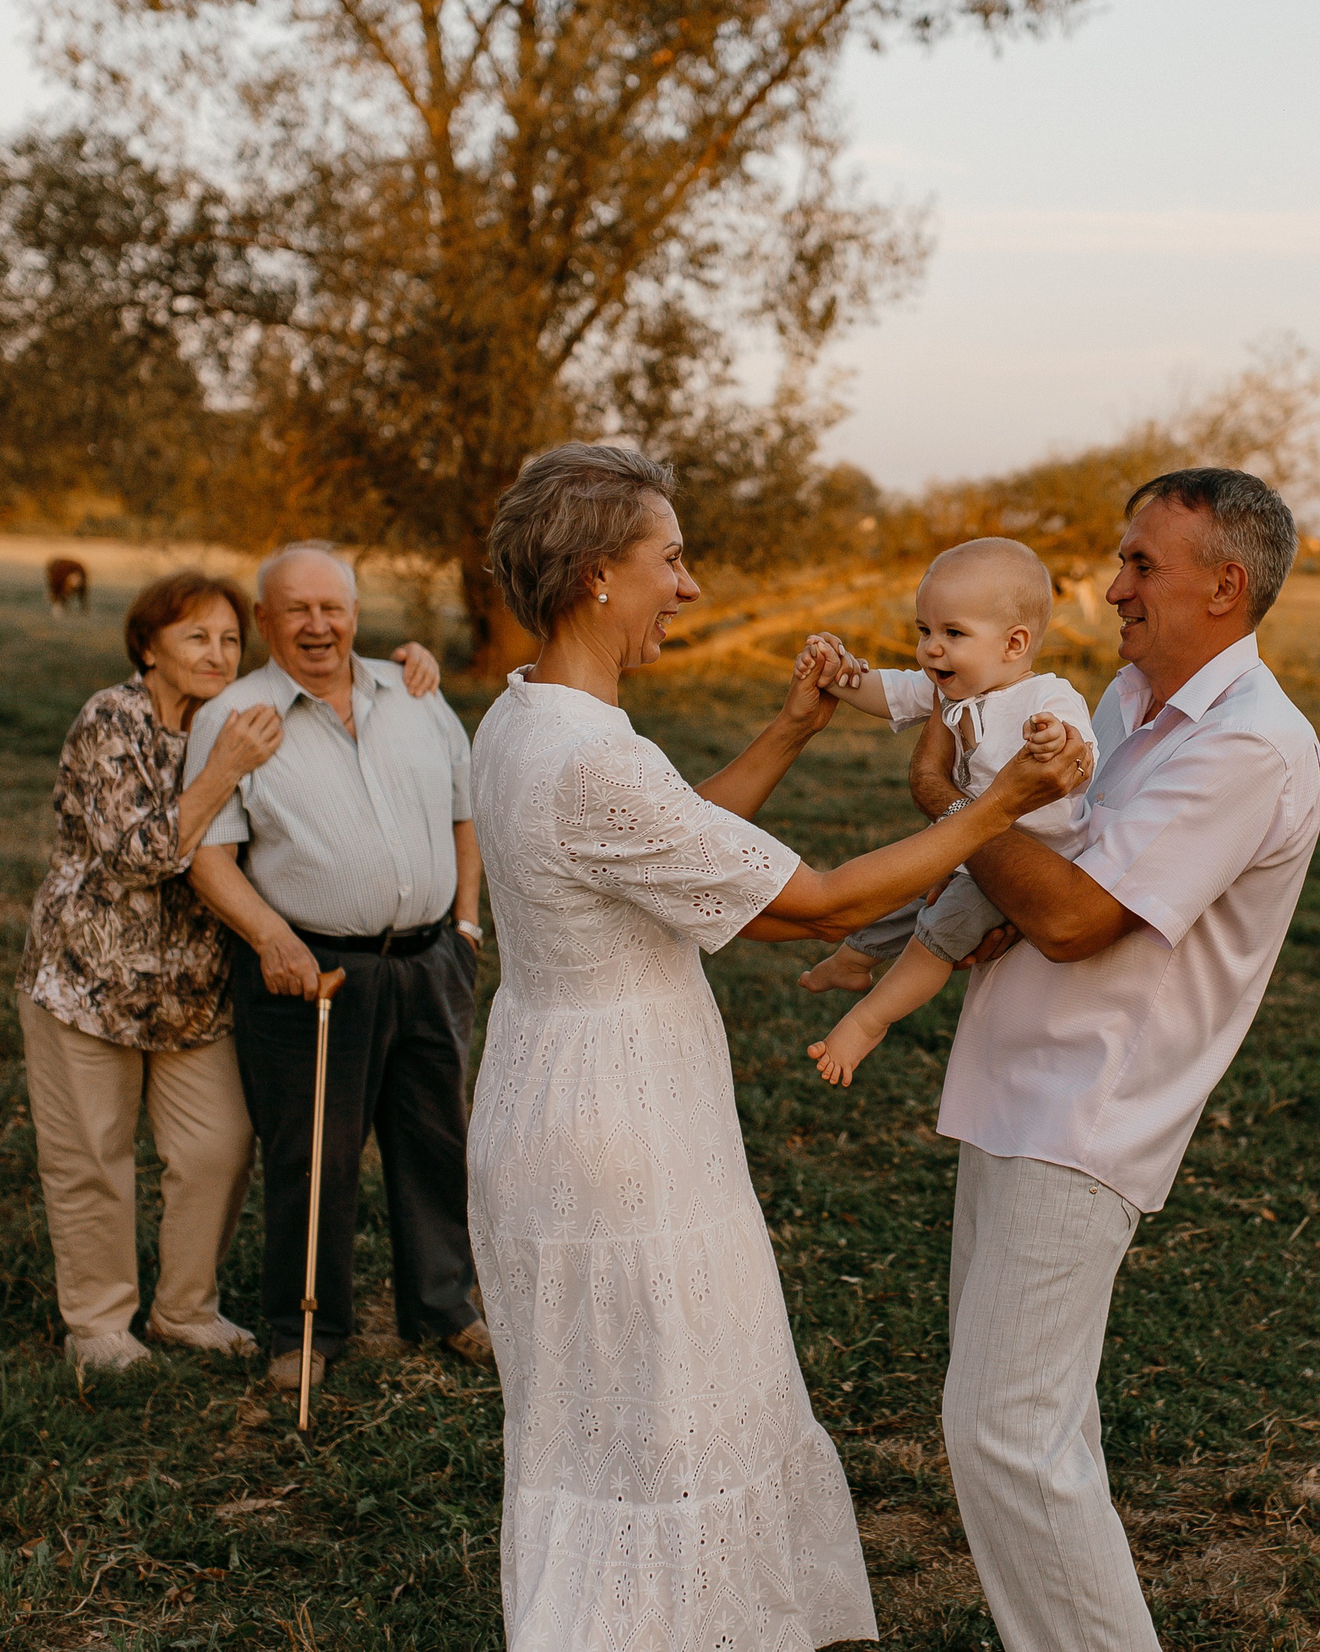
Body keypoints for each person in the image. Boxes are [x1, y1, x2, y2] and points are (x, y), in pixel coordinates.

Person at [463, 443, 1090, 1652]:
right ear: (599, 575)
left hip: (554, 1092)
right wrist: (994, 809)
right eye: (673, 559)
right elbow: (818, 904)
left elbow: (664, 840)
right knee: (669, 1407)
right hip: (619, 1130)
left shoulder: (521, 715)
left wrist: (793, 728)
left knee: (611, 1413)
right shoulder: (591, 757)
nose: (688, 589)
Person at [908, 468, 1320, 1652]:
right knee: (1034, 1426)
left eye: (1141, 564)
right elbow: (1045, 866)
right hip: (1014, 1086)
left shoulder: (1252, 748)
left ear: (1225, 584)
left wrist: (956, 802)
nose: (1111, 588)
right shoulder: (1127, 703)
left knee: (1004, 1432)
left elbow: (1078, 917)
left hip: (1091, 1115)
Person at [16, 569, 441, 1374]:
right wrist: (222, 770)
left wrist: (409, 662)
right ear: (149, 648)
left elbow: (328, 686)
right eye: (193, 637)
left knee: (218, 1144)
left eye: (227, 639)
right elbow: (136, 855)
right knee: (93, 1154)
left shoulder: (233, 714)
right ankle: (100, 1323)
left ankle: (186, 1309)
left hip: (195, 987)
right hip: (89, 980)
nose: (216, 653)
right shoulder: (114, 717)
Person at [184, 541, 488, 1389]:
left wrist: (466, 922)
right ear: (264, 620)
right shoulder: (235, 717)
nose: (319, 625)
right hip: (309, 972)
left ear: (355, 613)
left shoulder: (415, 693)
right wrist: (273, 939)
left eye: (334, 607)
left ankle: (445, 1305)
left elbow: (466, 813)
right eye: (297, 610)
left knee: (436, 1140)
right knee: (311, 1153)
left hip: (430, 959)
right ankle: (305, 1331)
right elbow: (208, 858)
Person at [796, 537, 1093, 1088]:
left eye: (953, 634)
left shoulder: (1046, 697)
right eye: (924, 631)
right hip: (968, 847)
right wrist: (835, 672)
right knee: (908, 886)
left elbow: (1080, 752)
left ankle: (868, 1023)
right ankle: (856, 957)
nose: (931, 649)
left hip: (1027, 858)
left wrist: (1054, 739)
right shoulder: (948, 690)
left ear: (1014, 643)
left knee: (938, 931)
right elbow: (882, 689)